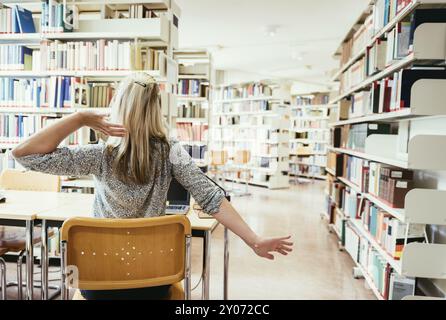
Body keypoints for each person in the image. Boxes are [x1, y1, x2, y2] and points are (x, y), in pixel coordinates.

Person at [12, 72, 293, 300]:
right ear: (156, 109)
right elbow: (210, 197)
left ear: (118, 107)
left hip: (97, 283)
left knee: (76, 275)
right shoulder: (171, 150)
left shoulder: (99, 155)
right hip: (154, 281)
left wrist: (79, 118)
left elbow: (23, 154)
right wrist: (253, 239)